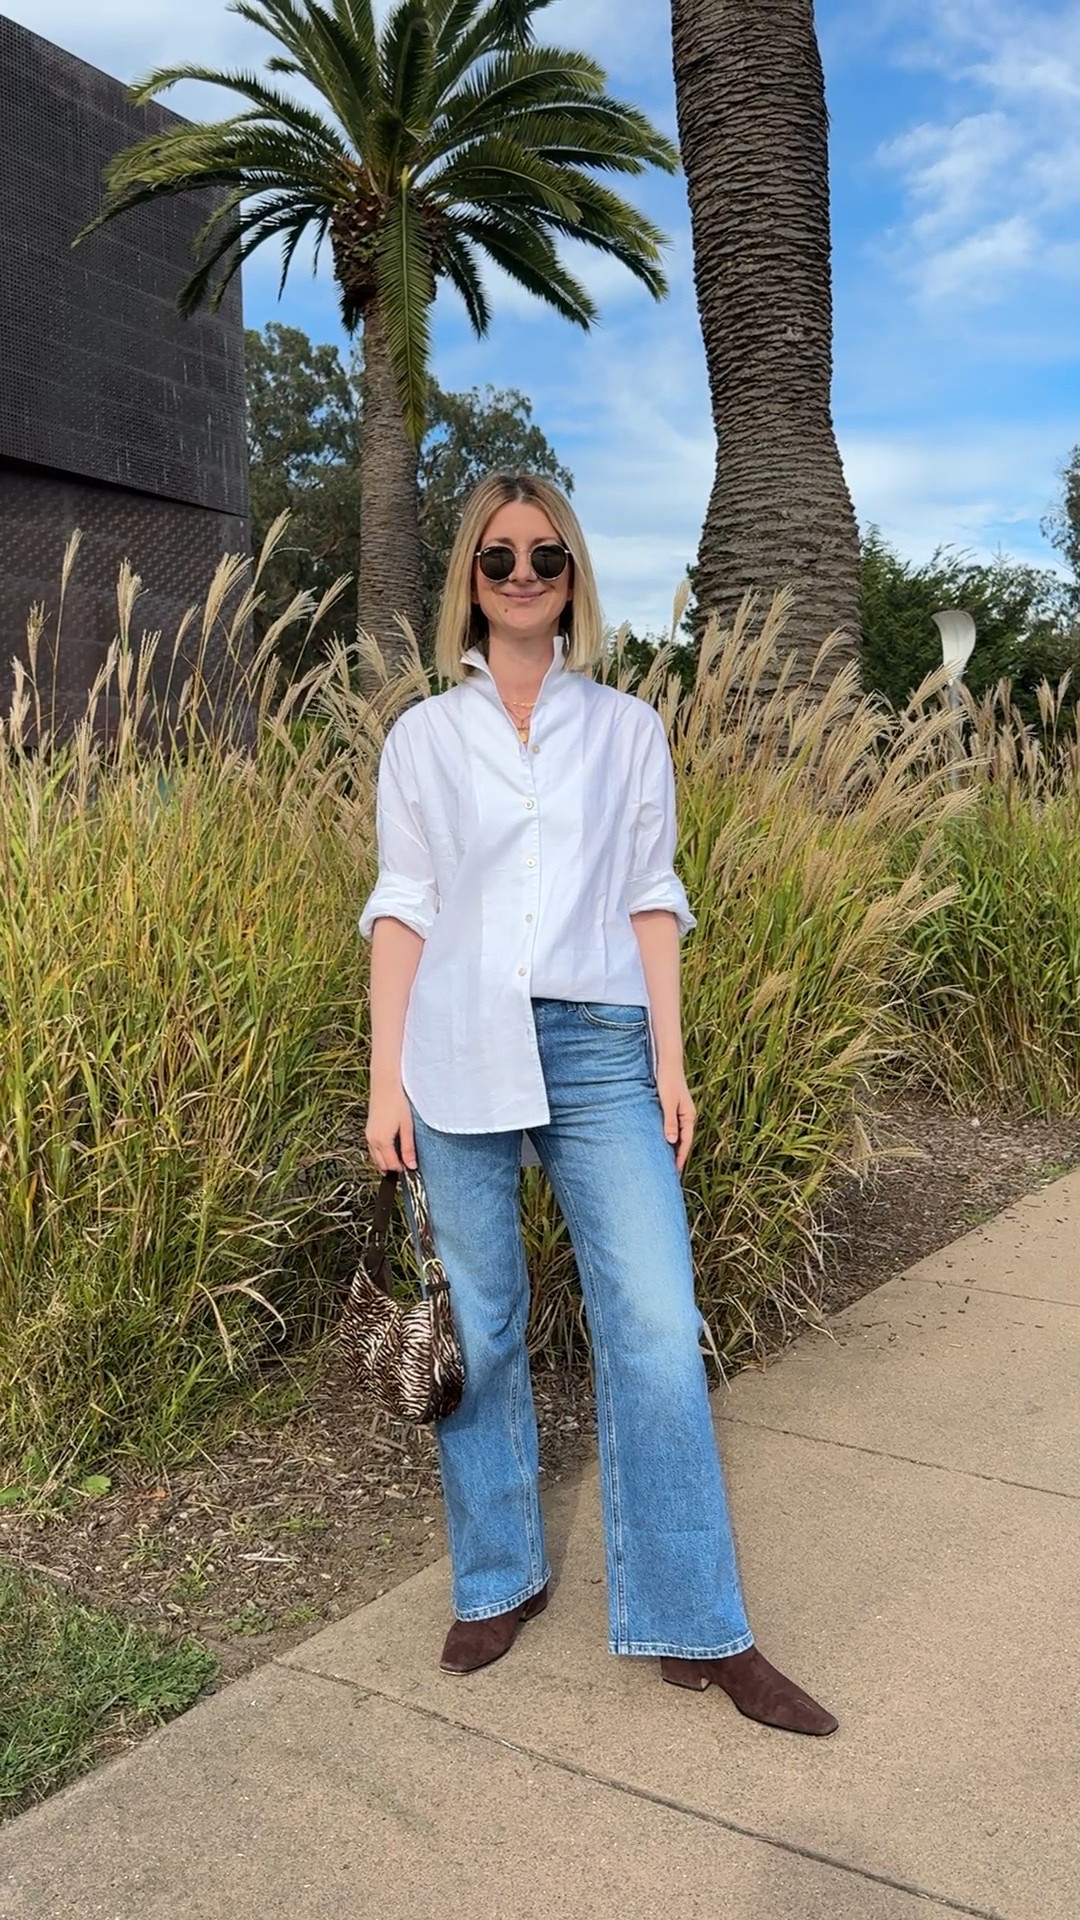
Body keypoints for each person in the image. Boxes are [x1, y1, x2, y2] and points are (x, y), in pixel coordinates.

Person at [359, 473, 837, 1737]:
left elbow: (651, 898)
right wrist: (381, 1082)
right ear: (470, 573)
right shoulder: (423, 740)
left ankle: (697, 1623)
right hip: (455, 1044)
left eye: (546, 555)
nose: (524, 575)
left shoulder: (627, 730)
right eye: (501, 556)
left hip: (595, 1043)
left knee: (655, 1325)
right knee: (485, 1326)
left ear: (573, 572)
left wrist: (670, 1062)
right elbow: (402, 910)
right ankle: (497, 1578)